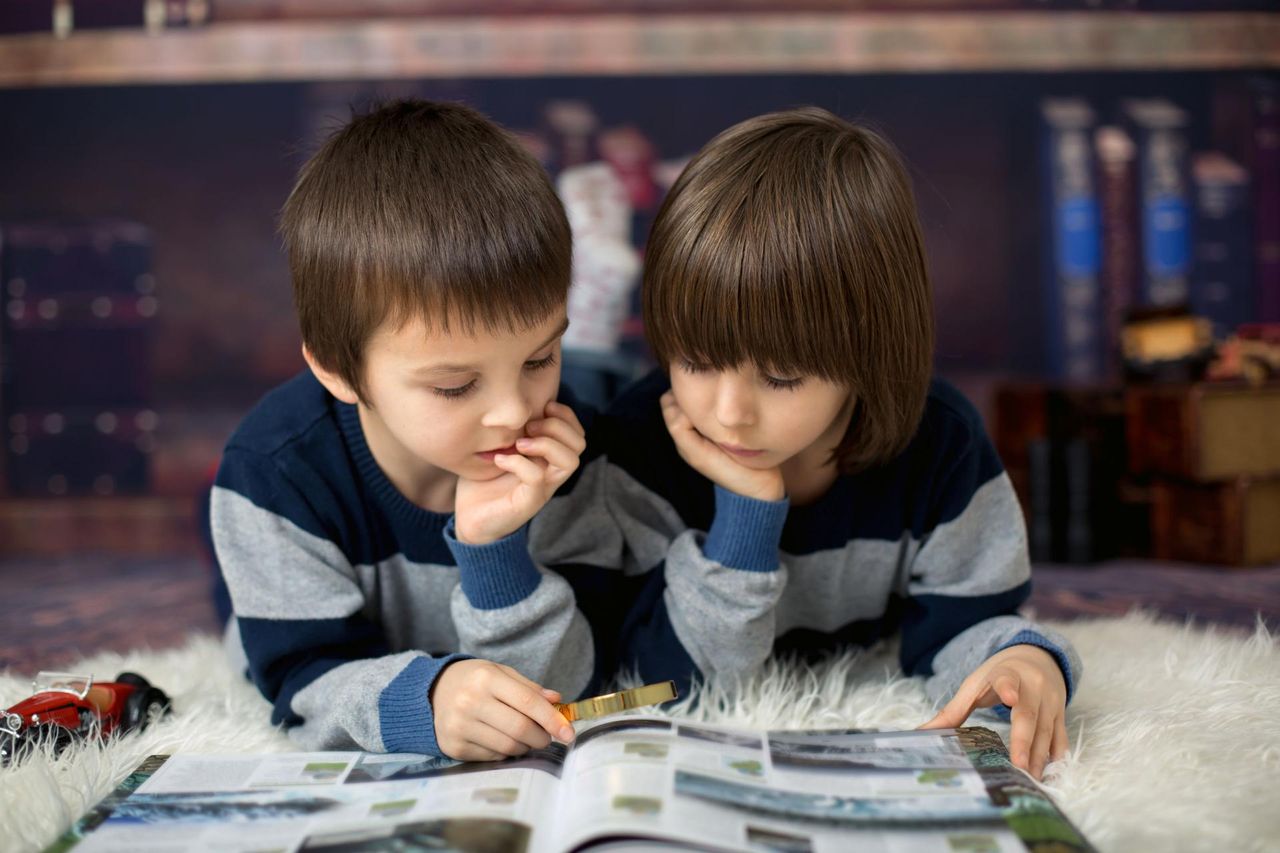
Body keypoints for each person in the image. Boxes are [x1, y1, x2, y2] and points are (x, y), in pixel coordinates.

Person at [548, 107, 1081, 781]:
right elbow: (663, 686)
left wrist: (1020, 658)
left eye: (781, 377)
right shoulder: (638, 446)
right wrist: (744, 519)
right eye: (698, 361)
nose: (729, 412)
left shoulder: (941, 440)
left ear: (867, 350)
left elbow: (962, 627)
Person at [210, 99, 593, 761]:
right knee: (241, 611)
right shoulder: (272, 476)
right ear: (339, 370)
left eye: (539, 359)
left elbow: (565, 690)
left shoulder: (567, 450)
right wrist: (424, 698)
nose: (513, 411)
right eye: (453, 385)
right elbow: (300, 687)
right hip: (304, 527)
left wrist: (495, 551)